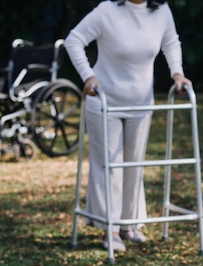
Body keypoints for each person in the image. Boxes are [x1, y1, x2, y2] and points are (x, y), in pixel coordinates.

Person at [65, 0, 192, 252]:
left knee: (135, 163)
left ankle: (128, 224)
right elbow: (74, 40)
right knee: (108, 165)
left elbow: (171, 43)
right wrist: (88, 77)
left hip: (141, 102)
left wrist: (177, 73)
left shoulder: (161, 11)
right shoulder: (107, 11)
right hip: (104, 101)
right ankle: (109, 228)